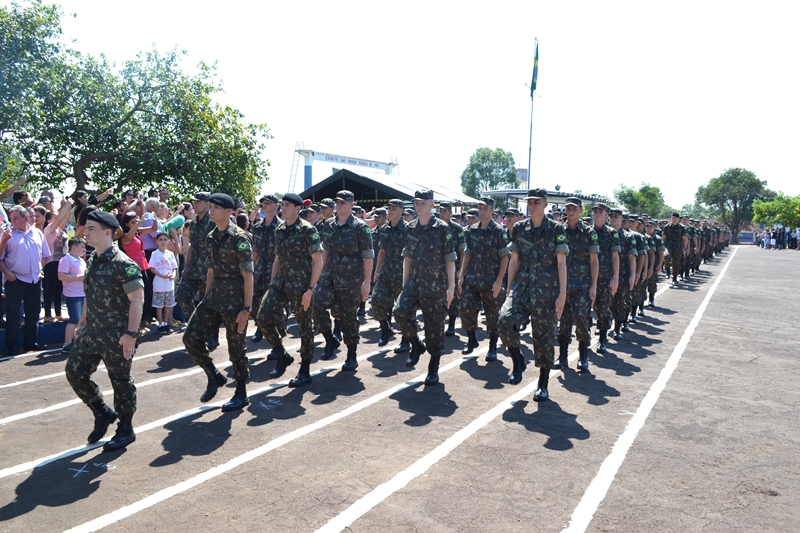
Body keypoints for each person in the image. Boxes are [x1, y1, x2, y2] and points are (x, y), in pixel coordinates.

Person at [64, 210, 144, 451]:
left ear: (107, 232)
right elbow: (90, 295)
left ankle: (126, 428)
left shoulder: (123, 264)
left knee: (120, 382)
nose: (85, 233)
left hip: (117, 334)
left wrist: (131, 334)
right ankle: (102, 412)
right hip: (93, 331)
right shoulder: (92, 261)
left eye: (91, 229)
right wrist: (81, 324)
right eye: (85, 228)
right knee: (75, 372)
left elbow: (137, 300)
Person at [182, 193, 254, 411]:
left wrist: (246, 308)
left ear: (228, 211)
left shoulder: (239, 238)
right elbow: (211, 269)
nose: (211, 210)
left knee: (236, 349)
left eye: (216, 207)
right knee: (190, 338)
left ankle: (241, 392)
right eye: (210, 206)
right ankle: (213, 375)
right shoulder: (211, 236)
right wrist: (205, 297)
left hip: (234, 301)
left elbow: (248, 275)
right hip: (213, 298)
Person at [498, 188, 568, 400]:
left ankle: (543, 383)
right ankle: (518, 360)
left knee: (544, 339)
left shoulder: (556, 229)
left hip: (546, 292)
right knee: (503, 320)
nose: (532, 205)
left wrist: (562, 295)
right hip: (522, 287)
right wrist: (509, 288)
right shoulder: (519, 228)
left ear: (546, 204)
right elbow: (514, 260)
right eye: (530, 201)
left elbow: (561, 263)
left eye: (537, 202)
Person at [255, 193, 323, 386]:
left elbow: (318, 261)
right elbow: (277, 258)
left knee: (305, 328)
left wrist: (310, 289)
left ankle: (305, 370)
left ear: (297, 208)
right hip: (281, 283)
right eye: (282, 205)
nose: (283, 208)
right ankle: (282, 354)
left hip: (301, 286)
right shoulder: (280, 230)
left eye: (286, 205)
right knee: (262, 316)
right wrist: (272, 282)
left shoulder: (308, 230)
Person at [393, 189, 456, 386]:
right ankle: (416, 345)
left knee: (434, 328)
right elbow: (408, 257)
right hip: (414, 281)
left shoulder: (442, 228)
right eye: (416, 203)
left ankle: (433, 367)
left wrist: (451, 287)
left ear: (432, 205)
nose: (419, 206)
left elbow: (450, 259)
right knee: (400, 311)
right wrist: (404, 285)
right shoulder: (410, 228)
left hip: (436, 285)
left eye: (423, 203)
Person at [313, 190, 374, 370]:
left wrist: (366, 282)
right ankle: (330, 339)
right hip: (330, 275)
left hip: (351, 279)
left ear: (351, 205)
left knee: (348, 317)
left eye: (343, 203)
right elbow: (325, 251)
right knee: (316, 303)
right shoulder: (329, 225)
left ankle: (351, 354)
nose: (339, 205)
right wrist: (318, 275)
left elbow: (368, 256)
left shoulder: (360, 227)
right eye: (337, 202)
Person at [458, 197, 511, 362]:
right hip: (472, 278)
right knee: (466, 307)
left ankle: (492, 347)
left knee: (492, 315)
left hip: (491, 280)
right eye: (479, 208)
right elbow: (468, 254)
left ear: (492, 210)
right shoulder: (471, 230)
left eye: (484, 208)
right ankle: (471, 339)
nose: (481, 211)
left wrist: (499, 280)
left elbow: (505, 257)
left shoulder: (498, 231)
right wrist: (461, 276)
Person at [0, 205, 51, 355]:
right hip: (15, 279)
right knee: (13, 313)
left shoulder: (37, 233)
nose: (12, 221)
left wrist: (40, 269)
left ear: (26, 218)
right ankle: (12, 345)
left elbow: (45, 255)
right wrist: (6, 272)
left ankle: (30, 342)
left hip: (35, 279)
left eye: (16, 218)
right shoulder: (7, 234)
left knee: (33, 311)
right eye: (11, 218)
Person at [555, 197, 598, 372]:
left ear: (581, 211)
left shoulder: (589, 233)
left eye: (574, 208)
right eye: (568, 208)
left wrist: (594, 286)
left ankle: (583, 356)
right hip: (563, 285)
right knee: (563, 321)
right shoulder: (559, 231)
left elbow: (594, 261)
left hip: (582, 285)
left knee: (581, 319)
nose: (570, 211)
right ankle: (563, 356)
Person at [175, 192, 217, 349]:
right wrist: (186, 267)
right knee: (181, 295)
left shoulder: (213, 222)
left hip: (209, 269)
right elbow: (192, 246)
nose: (195, 203)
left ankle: (212, 334)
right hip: (194, 268)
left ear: (207, 203)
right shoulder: (192, 223)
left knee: (209, 303)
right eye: (194, 201)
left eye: (199, 201)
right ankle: (198, 327)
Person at [372, 199, 409, 350]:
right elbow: (382, 251)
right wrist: (377, 271)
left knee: (402, 309)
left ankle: (406, 340)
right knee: (375, 300)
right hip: (386, 272)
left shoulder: (408, 229)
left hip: (402, 273)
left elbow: (411, 254)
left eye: (394, 208)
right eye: (389, 208)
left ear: (401, 211)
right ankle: (386, 329)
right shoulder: (385, 229)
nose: (390, 211)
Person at [250, 194, 280, 344]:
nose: (265, 205)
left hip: (276, 270)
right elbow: (255, 250)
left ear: (276, 206)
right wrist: (250, 269)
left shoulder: (281, 227)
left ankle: (276, 334)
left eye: (268, 203)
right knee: (255, 301)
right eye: (263, 203)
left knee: (273, 304)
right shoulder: (257, 228)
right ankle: (260, 326)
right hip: (260, 270)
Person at [590, 202, 620, 354]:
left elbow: (615, 257)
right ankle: (584, 339)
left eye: (599, 212)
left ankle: (602, 340)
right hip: (585, 277)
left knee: (603, 309)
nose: (596, 214)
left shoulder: (611, 233)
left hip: (604, 277)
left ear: (606, 215)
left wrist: (615, 277)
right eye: (594, 211)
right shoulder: (586, 231)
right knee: (583, 310)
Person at [438, 202, 466, 336]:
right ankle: (440, 323)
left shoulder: (457, 229)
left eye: (444, 211)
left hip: (452, 267)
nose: (442, 213)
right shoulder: (435, 227)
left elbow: (462, 251)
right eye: (440, 211)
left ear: (450, 213)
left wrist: (460, 270)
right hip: (436, 268)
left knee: (453, 297)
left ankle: (452, 324)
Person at [610, 212, 638, 339]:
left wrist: (633, 275)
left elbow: (632, 257)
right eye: (611, 216)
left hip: (623, 274)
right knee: (605, 304)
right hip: (606, 274)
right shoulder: (605, 234)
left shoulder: (628, 237)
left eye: (616, 217)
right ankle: (604, 325)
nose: (613, 219)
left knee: (620, 303)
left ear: (622, 219)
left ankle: (617, 328)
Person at [58, 237, 87, 353]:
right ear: (73, 247)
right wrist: (78, 278)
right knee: (74, 319)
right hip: (73, 294)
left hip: (82, 293)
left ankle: (78, 341)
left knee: (82, 319)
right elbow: (61, 276)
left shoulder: (81, 260)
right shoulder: (66, 260)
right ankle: (67, 344)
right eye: (82, 247)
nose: (84, 250)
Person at [149, 231, 179, 333]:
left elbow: (174, 268)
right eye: (161, 239)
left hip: (169, 285)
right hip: (159, 284)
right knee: (159, 305)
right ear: (157, 241)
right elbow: (152, 268)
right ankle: (160, 324)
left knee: (168, 305)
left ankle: (166, 323)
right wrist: (162, 275)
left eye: (165, 240)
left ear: (168, 241)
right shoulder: (155, 254)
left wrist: (173, 275)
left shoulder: (170, 254)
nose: (163, 242)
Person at [661, 212, 688, 286]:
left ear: (678, 219)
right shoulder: (667, 227)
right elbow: (664, 237)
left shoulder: (682, 227)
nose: (673, 219)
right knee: (666, 256)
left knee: (676, 263)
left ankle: (674, 279)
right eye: (672, 217)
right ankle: (667, 270)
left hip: (678, 247)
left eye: (675, 218)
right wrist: (662, 246)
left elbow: (684, 238)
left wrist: (685, 248)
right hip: (668, 246)